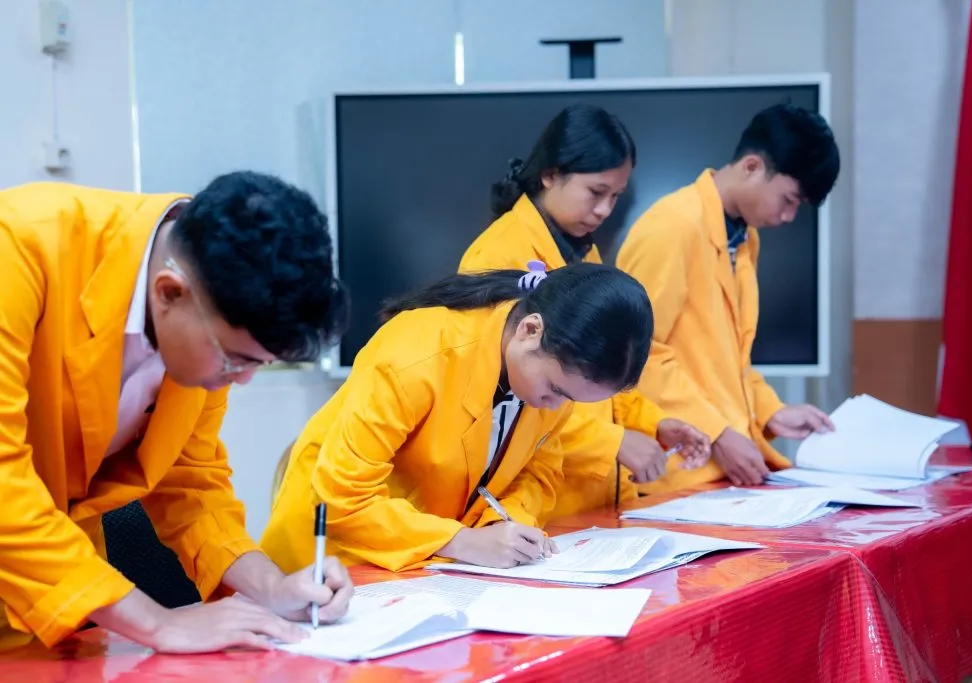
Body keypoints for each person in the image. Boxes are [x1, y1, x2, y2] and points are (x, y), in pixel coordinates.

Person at [0, 172, 353, 654]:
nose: (242, 380)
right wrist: (158, 623)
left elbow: (190, 481)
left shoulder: (204, 315)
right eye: (236, 361)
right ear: (169, 292)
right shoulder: (18, 245)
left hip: (53, 601)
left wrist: (273, 588)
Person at [261, 262, 655, 573]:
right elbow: (343, 497)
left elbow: (540, 471)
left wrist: (506, 524)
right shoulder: (417, 356)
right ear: (530, 331)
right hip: (328, 559)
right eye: (555, 390)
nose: (555, 407)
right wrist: (462, 542)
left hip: (428, 566)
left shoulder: (549, 374)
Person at [460, 104, 709, 520]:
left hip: (593, 501)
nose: (605, 210)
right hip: (534, 502)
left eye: (615, 196)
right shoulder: (498, 254)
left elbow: (597, 373)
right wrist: (612, 443)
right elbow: (506, 395)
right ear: (550, 174)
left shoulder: (581, 252)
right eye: (596, 192)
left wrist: (654, 424)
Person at [616, 103, 840, 492]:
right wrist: (717, 433)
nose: (788, 217)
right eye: (788, 200)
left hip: (723, 476)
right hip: (676, 476)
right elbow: (634, 359)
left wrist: (772, 412)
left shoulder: (743, 237)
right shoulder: (673, 227)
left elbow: (728, 360)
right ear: (752, 166)